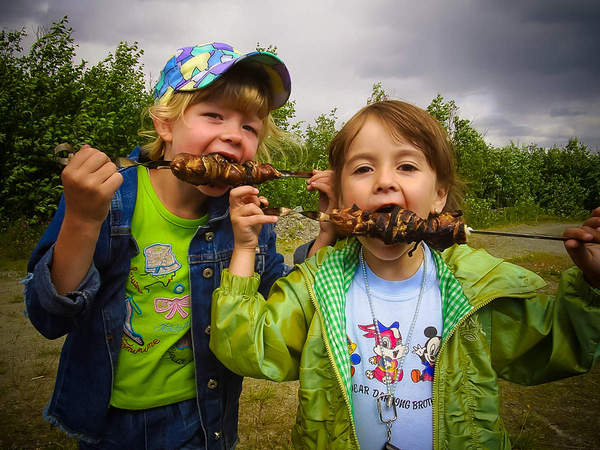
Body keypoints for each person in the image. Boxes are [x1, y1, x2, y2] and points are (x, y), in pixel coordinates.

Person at [209, 100, 600, 449]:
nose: (384, 181)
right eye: (363, 168)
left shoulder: (475, 288)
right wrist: (244, 248)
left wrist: (594, 284)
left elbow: (560, 342)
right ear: (340, 198)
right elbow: (246, 346)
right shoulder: (317, 284)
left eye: (407, 166)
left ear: (439, 195)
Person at [24, 42, 313, 449]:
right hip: (111, 423)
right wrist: (84, 219)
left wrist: (329, 232)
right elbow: (49, 318)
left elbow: (276, 301)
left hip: (204, 417)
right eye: (214, 115)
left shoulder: (248, 215)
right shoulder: (107, 200)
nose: (234, 135)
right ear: (165, 124)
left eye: (250, 127)